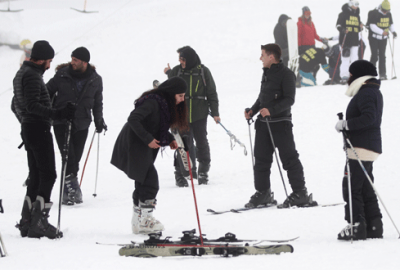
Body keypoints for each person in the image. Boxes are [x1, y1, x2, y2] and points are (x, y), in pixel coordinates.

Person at [12, 40, 76, 239]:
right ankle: (39, 222)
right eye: (48, 61)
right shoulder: (31, 75)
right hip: (37, 128)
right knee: (48, 174)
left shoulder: (23, 73)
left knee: (37, 175)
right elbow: (31, 105)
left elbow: (15, 105)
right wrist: (58, 113)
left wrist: (25, 123)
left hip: (30, 128)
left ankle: (27, 220)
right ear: (40, 60)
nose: (49, 65)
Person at [111, 77, 188, 234]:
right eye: (180, 95)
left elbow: (155, 124)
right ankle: (146, 220)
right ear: (172, 93)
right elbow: (134, 119)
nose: (182, 99)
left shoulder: (163, 104)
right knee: (150, 180)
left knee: (142, 180)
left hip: (140, 144)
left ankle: (138, 219)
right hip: (134, 143)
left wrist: (170, 139)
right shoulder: (153, 102)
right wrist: (148, 139)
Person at [244, 44, 314, 209]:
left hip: (281, 124)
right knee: (260, 160)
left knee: (289, 159)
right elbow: (262, 98)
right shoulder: (266, 73)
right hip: (263, 125)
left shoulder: (286, 74)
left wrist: (271, 110)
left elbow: (289, 99)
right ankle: (263, 193)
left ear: (271, 57)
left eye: (262, 55)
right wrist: (252, 111)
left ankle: (300, 193)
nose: (260, 58)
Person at [47, 47, 106, 205]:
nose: (72, 62)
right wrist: (50, 112)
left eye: (76, 60)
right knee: (69, 157)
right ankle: (74, 190)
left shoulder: (95, 79)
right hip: (61, 121)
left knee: (76, 158)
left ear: (84, 62)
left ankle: (67, 194)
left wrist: (99, 120)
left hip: (83, 122)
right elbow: (46, 92)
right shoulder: (62, 75)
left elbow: (97, 102)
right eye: (72, 59)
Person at [335, 60, 383, 240]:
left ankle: (356, 225)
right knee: (365, 186)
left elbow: (369, 118)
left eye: (351, 74)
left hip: (361, 147)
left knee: (351, 186)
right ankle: (374, 225)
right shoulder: (373, 91)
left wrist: (346, 124)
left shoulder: (365, 93)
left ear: (359, 75)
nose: (349, 78)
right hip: (368, 146)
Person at [164, 47, 220, 186]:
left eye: (182, 59)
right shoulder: (177, 71)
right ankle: (180, 174)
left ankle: (203, 172)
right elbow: (168, 89)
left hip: (199, 113)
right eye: (180, 59)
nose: (180, 61)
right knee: (182, 144)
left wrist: (215, 112)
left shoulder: (203, 71)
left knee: (201, 142)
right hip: (181, 115)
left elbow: (211, 92)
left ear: (189, 59)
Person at [366, 0, 397, 80]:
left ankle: (383, 74)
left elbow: (390, 24)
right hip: (374, 38)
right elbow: (372, 26)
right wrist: (382, 32)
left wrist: (393, 31)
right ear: (381, 8)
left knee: (382, 56)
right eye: (384, 10)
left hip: (383, 39)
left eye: (387, 11)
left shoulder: (389, 14)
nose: (385, 12)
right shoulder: (374, 13)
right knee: (374, 55)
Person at [336, 1, 363, 84]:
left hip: (354, 40)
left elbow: (358, 28)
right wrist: (343, 30)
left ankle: (355, 74)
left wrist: (360, 27)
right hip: (345, 40)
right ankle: (344, 75)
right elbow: (338, 25)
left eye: (358, 5)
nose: (357, 7)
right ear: (351, 5)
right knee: (345, 58)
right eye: (355, 5)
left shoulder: (357, 15)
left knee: (355, 58)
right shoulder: (343, 14)